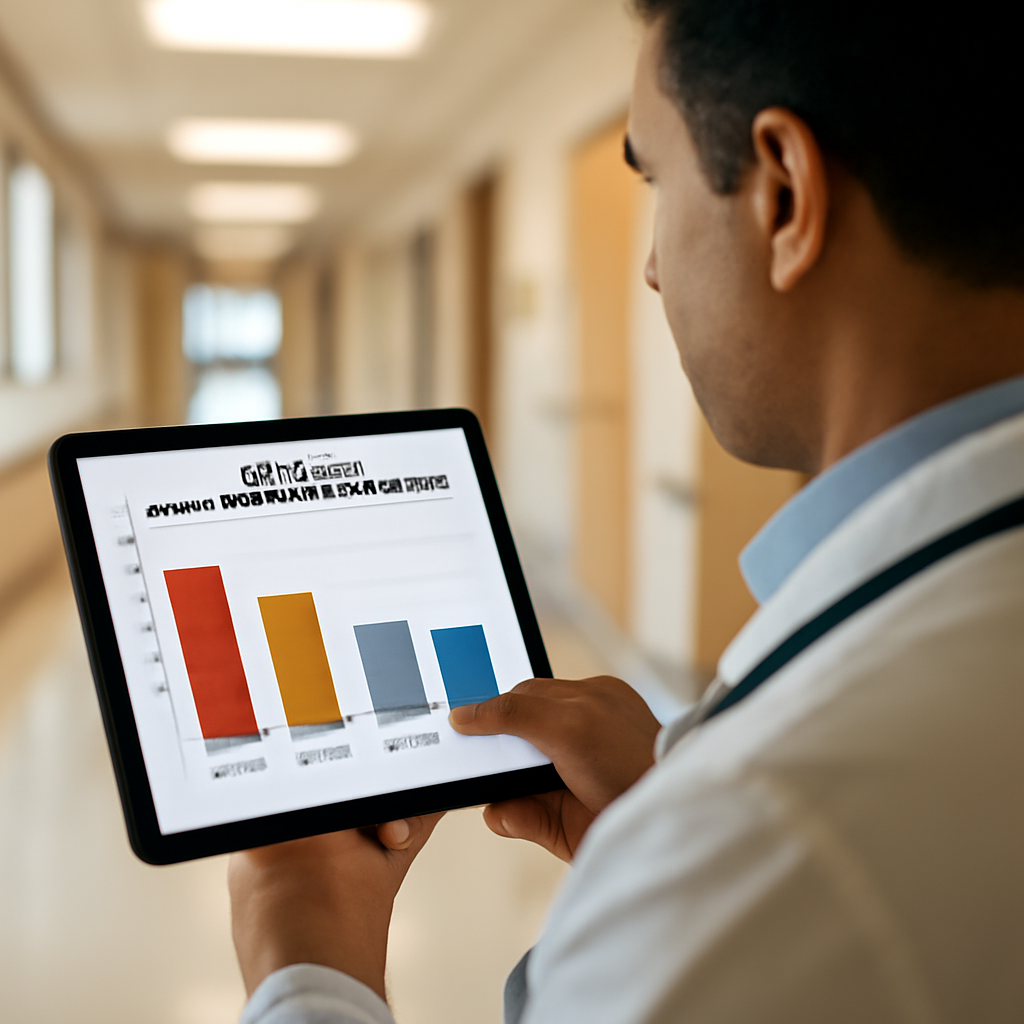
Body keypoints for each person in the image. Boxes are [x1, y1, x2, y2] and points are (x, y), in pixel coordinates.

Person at [229, 1, 1024, 1021]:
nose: (650, 266)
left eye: (653, 177)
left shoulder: (764, 838)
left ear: (783, 194)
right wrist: (666, 792)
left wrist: (305, 956)